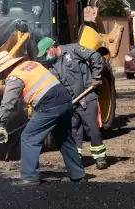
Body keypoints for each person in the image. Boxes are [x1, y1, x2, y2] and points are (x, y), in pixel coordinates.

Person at [0, 51, 86, 186]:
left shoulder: (14, 77)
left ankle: (30, 177)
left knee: (28, 137)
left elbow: (8, 103)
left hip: (50, 105)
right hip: (65, 100)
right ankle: (78, 175)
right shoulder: (32, 64)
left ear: (5, 69)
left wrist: (1, 125)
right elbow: (45, 87)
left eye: (1, 73)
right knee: (64, 138)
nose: (2, 76)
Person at [37, 37, 108, 169]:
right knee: (74, 132)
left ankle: (100, 157)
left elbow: (96, 56)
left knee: (92, 129)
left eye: (45, 52)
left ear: (51, 48)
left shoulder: (74, 49)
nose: (46, 56)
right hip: (71, 103)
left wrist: (96, 76)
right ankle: (76, 159)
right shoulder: (52, 66)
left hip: (87, 96)